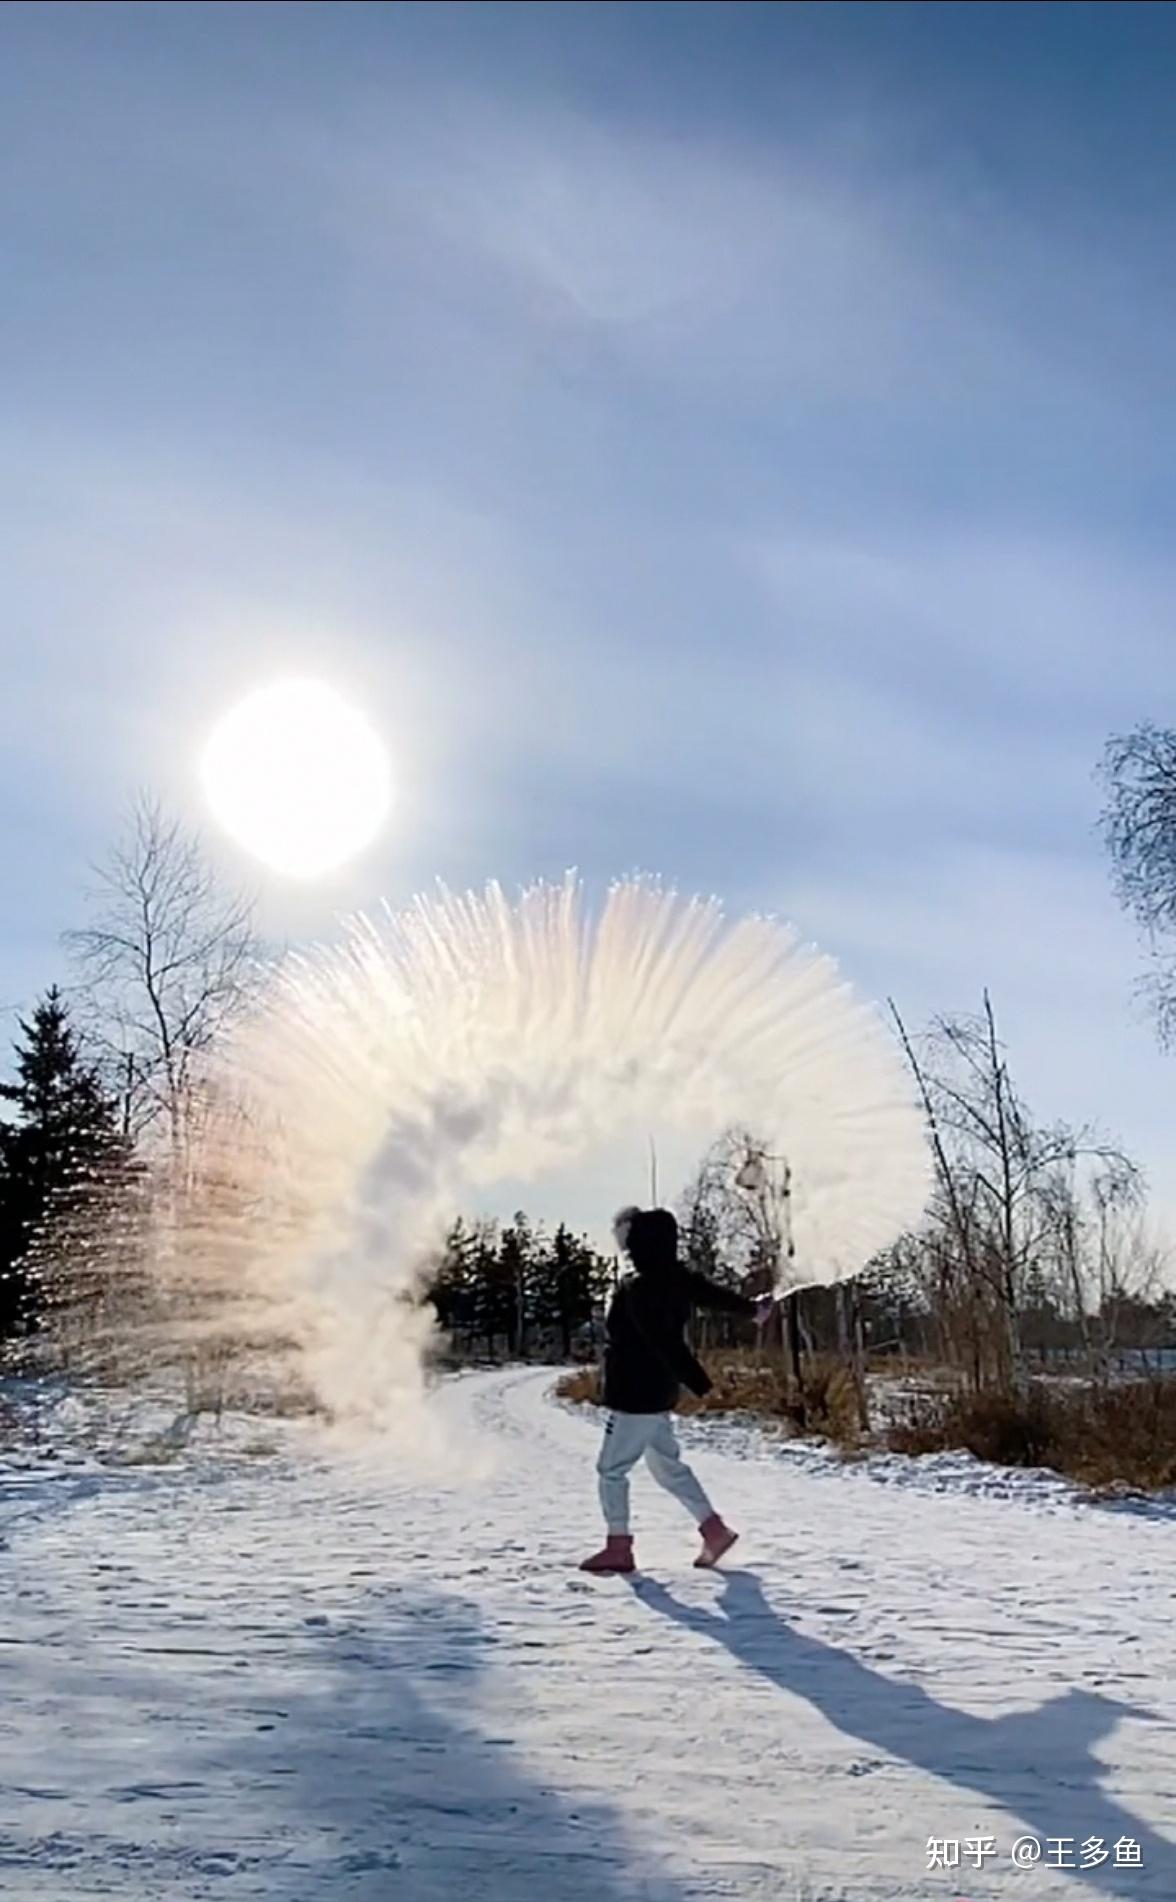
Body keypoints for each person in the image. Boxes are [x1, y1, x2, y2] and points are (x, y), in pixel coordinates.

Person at [579, 1205, 773, 1575]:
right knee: (668, 1468)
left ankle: (618, 1547)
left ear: (637, 1242)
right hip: (659, 1394)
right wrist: (752, 1310)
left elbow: (663, 1341)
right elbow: (710, 1294)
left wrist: (700, 1382)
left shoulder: (638, 1288)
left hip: (635, 1397)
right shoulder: (675, 1278)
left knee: (611, 1470)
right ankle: (714, 1531)